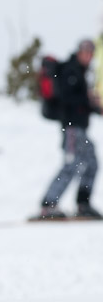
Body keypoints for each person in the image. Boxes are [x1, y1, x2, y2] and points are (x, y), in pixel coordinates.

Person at [38, 39, 102, 219]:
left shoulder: (80, 72)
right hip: (72, 128)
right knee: (71, 164)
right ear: (79, 52)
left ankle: (83, 203)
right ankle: (48, 204)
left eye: (92, 53)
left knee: (92, 163)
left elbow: (80, 102)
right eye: (86, 52)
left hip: (80, 128)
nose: (89, 56)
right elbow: (67, 99)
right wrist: (88, 101)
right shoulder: (70, 70)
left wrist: (94, 107)